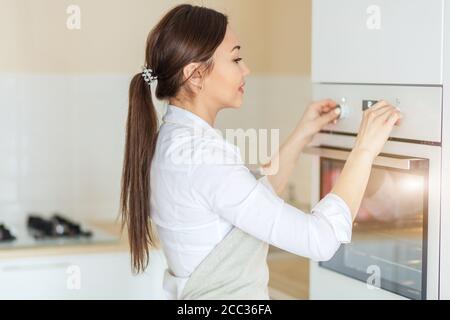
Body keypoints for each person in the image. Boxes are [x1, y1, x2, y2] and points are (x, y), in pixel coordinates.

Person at [120, 4, 402, 300]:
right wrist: (365, 148)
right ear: (196, 75)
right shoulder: (200, 157)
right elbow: (321, 239)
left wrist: (303, 133)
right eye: (236, 58)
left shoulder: (173, 142)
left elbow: (250, 200)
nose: (246, 70)